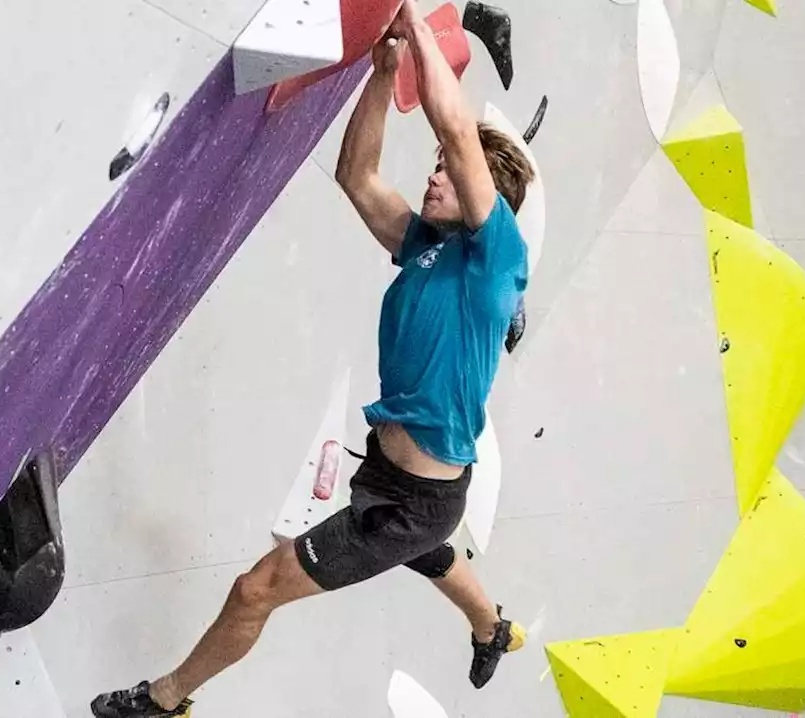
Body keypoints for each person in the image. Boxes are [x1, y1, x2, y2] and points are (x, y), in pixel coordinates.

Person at [90, 2, 535, 715]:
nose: (435, 177)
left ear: (490, 199)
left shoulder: (497, 260)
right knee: (434, 552)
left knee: (255, 590)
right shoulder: (425, 243)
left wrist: (411, 20)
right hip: (402, 477)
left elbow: (454, 129)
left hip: (408, 505)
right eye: (436, 170)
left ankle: (166, 701)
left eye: (449, 174)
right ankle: (493, 627)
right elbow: (356, 174)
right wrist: (383, 71)